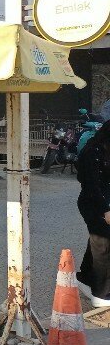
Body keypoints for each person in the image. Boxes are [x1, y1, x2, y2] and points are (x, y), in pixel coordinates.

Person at [75, 123, 110, 306]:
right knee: (103, 242)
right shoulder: (92, 152)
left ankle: (85, 278)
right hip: (93, 203)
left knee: (99, 240)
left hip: (106, 200)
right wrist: (105, 209)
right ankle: (101, 294)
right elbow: (92, 185)